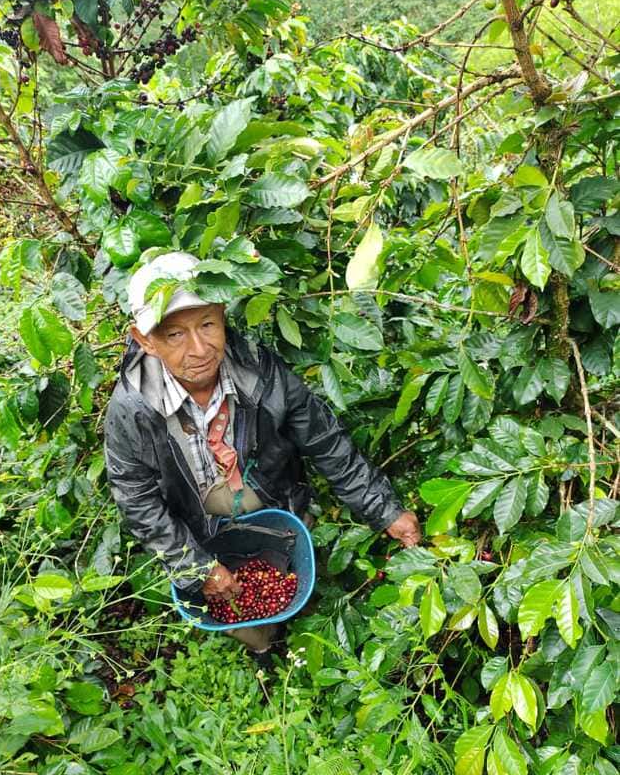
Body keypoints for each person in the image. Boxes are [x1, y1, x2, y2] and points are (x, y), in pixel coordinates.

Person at [103, 251, 421, 656]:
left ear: (222, 313)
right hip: (201, 528)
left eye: (207, 324)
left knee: (291, 579)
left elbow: (325, 441)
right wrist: (198, 566)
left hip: (275, 503)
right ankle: (266, 653)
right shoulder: (132, 408)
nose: (199, 349)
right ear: (144, 340)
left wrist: (384, 509)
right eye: (174, 335)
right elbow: (136, 499)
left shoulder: (260, 369)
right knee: (246, 618)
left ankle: (302, 638)